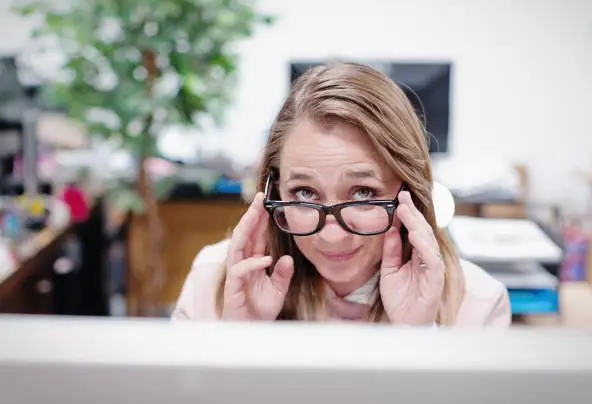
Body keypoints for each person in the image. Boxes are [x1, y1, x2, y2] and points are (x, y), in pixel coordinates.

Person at [172, 62, 511, 327]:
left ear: (409, 190)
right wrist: (240, 342)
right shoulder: (214, 280)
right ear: (272, 190)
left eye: (364, 193)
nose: (332, 235)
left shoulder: (477, 304)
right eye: (304, 192)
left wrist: (418, 341)